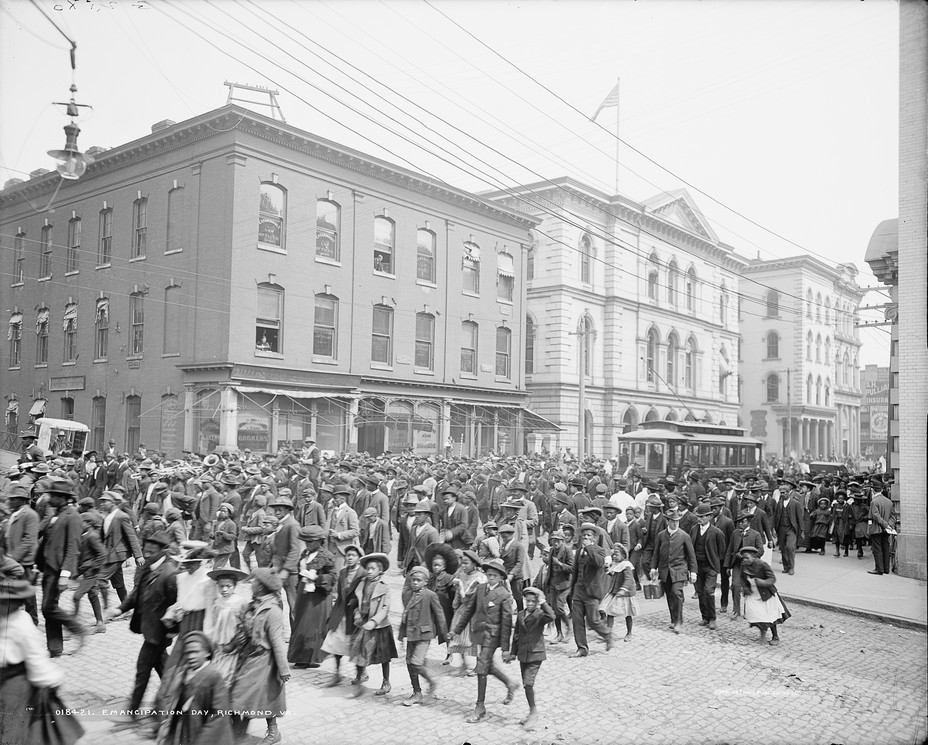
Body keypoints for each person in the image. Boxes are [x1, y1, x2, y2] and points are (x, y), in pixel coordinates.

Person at [0, 576, 84, 745]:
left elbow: (35, 657)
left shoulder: (21, 623)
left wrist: (50, 680)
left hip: (16, 684)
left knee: (16, 730)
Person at [106, 531, 179, 722]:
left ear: (163, 551)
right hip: (149, 630)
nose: (147, 551)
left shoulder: (170, 574)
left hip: (159, 634)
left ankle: (133, 711)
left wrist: (170, 634)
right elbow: (136, 593)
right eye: (146, 547)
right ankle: (177, 701)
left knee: (143, 668)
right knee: (163, 669)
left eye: (152, 548)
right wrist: (118, 610)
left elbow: (176, 606)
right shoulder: (149, 567)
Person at [451, 558, 519, 724]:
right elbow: (469, 611)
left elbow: (506, 623)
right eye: (489, 574)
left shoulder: (504, 595)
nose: (491, 578)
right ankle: (509, 683)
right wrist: (456, 630)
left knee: (481, 667)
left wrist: (505, 648)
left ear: (501, 577)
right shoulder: (480, 589)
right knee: (487, 665)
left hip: (493, 636)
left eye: (495, 575)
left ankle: (480, 707)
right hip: (479, 633)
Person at [228, 567, 290, 745]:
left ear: (262, 586)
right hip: (249, 655)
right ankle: (267, 732)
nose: (251, 583)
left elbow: (277, 641)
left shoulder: (272, 611)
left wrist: (283, 669)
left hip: (264, 660)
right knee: (260, 696)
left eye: (254, 581)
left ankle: (242, 733)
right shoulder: (254, 605)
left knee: (244, 694)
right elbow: (243, 630)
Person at [35, 478, 86, 656]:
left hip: (58, 569)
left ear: (65, 498)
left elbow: (73, 548)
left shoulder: (73, 517)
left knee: (48, 607)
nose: (51, 498)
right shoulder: (55, 514)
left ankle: (77, 628)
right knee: (49, 606)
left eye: (56, 496)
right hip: (47, 567)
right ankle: (55, 648)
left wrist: (65, 574)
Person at [155, 630, 234, 745]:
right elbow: (170, 700)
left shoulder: (213, 676)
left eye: (195, 652)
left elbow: (219, 714)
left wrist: (203, 740)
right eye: (188, 653)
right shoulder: (182, 674)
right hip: (183, 728)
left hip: (202, 733)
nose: (191, 656)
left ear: (207, 653)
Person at [503, 586, 554, 732]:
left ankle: (533, 713)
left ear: (537, 602)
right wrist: (513, 653)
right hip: (523, 655)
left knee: (528, 683)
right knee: (527, 686)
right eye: (528, 601)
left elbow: (552, 616)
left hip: (536, 654)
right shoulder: (520, 614)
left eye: (533, 601)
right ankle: (531, 711)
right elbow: (517, 635)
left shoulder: (539, 615)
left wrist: (543, 602)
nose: (530, 604)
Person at [287, 525, 337, 669]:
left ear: (319, 541)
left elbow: (334, 576)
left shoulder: (326, 556)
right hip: (304, 594)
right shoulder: (305, 554)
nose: (307, 544)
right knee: (300, 622)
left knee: (312, 625)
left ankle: (312, 657)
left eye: (310, 542)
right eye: (306, 541)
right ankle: (301, 655)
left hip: (318, 596)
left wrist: (317, 578)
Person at [398, 565, 448, 706]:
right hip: (411, 634)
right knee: (410, 663)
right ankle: (417, 692)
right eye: (413, 580)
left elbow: (440, 615)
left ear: (425, 582)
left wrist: (445, 635)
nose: (415, 583)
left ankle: (431, 681)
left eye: (418, 580)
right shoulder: (409, 595)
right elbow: (405, 615)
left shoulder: (430, 595)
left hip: (424, 635)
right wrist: (402, 635)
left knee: (416, 663)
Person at [349, 552, 396, 697]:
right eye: (368, 568)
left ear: (380, 571)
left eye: (373, 569)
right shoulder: (362, 583)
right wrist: (356, 612)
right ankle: (360, 675)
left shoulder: (384, 587)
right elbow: (355, 602)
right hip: (362, 623)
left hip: (379, 626)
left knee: (383, 656)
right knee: (358, 649)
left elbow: (385, 608)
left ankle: (386, 682)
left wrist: (374, 621)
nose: (369, 571)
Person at [321, 544, 364, 686]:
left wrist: (359, 608)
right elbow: (339, 593)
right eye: (348, 555)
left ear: (359, 558)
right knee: (336, 643)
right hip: (342, 613)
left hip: (356, 614)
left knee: (356, 645)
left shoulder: (363, 573)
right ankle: (337, 673)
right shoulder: (343, 572)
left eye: (353, 555)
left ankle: (359, 674)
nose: (350, 558)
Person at [568, 523, 613, 657]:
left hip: (591, 592)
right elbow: (575, 571)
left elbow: (599, 563)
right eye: (584, 535)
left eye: (589, 536)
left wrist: (589, 548)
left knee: (593, 621)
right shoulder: (578, 552)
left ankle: (607, 634)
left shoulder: (599, 550)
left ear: (594, 538)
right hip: (578, 590)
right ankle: (582, 648)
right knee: (577, 621)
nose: (585, 538)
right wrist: (572, 589)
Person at [650, 507, 697, 634]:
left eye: (677, 521)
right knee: (669, 595)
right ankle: (673, 618)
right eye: (672, 521)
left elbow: (691, 555)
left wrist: (693, 571)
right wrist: (653, 568)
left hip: (679, 569)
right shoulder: (661, 536)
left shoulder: (684, 536)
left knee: (677, 593)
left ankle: (679, 622)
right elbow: (656, 554)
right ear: (667, 521)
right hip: (665, 570)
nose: (675, 523)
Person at [204, 566, 248, 686]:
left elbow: (245, 625)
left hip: (234, 645)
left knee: (229, 675)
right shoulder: (217, 603)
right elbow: (215, 623)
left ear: (234, 586)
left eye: (228, 586)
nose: (224, 589)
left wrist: (236, 642)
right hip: (220, 646)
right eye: (221, 586)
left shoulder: (240, 603)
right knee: (217, 672)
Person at [739, 546, 791, 645]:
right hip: (753, 593)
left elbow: (772, 579)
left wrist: (761, 582)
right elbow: (742, 578)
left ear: (754, 557)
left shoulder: (762, 565)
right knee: (755, 613)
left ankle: (775, 636)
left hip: (765, 594)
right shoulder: (744, 565)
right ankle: (762, 631)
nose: (745, 560)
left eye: (747, 558)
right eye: (743, 558)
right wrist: (745, 587)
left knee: (770, 616)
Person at [2, 484, 39, 623]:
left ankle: (33, 621)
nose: (10, 502)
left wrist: (13, 557)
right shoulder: (14, 514)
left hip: (24, 562)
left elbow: (29, 539)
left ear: (22, 500)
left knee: (27, 593)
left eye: (14, 499)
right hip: (12, 560)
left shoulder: (30, 515)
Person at [448, 549, 486, 677]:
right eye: (462, 563)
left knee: (473, 641)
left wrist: (461, 586)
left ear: (474, 564)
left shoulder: (480, 578)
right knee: (460, 640)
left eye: (466, 563)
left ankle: (477, 666)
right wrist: (455, 608)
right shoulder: (461, 575)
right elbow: (458, 597)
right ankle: (467, 664)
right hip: (462, 611)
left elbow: (468, 598)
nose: (463, 566)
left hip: (475, 612)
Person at [598, 542, 639, 642]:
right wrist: (607, 570)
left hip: (625, 594)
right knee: (610, 612)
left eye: (616, 555)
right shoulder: (616, 565)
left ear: (623, 556)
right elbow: (614, 575)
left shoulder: (626, 566)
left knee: (628, 613)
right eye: (613, 555)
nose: (614, 557)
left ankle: (629, 632)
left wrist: (623, 589)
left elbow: (628, 579)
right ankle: (608, 634)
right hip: (615, 592)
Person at [542, 530, 573, 644]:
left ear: (563, 541)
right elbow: (549, 568)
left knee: (559, 607)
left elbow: (572, 568)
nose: (555, 543)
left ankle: (569, 629)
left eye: (558, 541)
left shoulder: (567, 551)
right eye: (553, 540)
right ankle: (559, 633)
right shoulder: (551, 551)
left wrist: (559, 564)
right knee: (554, 610)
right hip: (552, 583)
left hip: (564, 584)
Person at [772, 482, 803, 576]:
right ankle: (786, 567)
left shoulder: (795, 503)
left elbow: (799, 518)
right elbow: (775, 516)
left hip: (791, 529)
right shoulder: (779, 504)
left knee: (790, 547)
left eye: (784, 492)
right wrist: (773, 528)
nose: (782, 494)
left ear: (789, 493)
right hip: (781, 528)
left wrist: (802, 530)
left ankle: (792, 567)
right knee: (783, 548)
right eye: (781, 492)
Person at [868, 486, 896, 575]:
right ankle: (886, 568)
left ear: (873, 491)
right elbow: (893, 516)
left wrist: (885, 524)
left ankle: (879, 569)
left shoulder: (874, 501)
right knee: (885, 547)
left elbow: (876, 516)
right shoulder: (889, 502)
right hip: (887, 530)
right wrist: (889, 525)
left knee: (877, 548)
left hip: (877, 528)